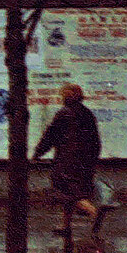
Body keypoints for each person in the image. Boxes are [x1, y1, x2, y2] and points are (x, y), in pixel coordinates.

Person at [34, 82, 105, 238]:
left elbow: (50, 135)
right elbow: (96, 140)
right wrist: (93, 160)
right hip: (86, 161)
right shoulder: (87, 114)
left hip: (67, 161)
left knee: (67, 192)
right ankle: (66, 226)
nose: (61, 97)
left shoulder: (64, 113)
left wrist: (38, 152)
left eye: (62, 94)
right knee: (74, 190)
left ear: (67, 96)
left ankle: (93, 211)